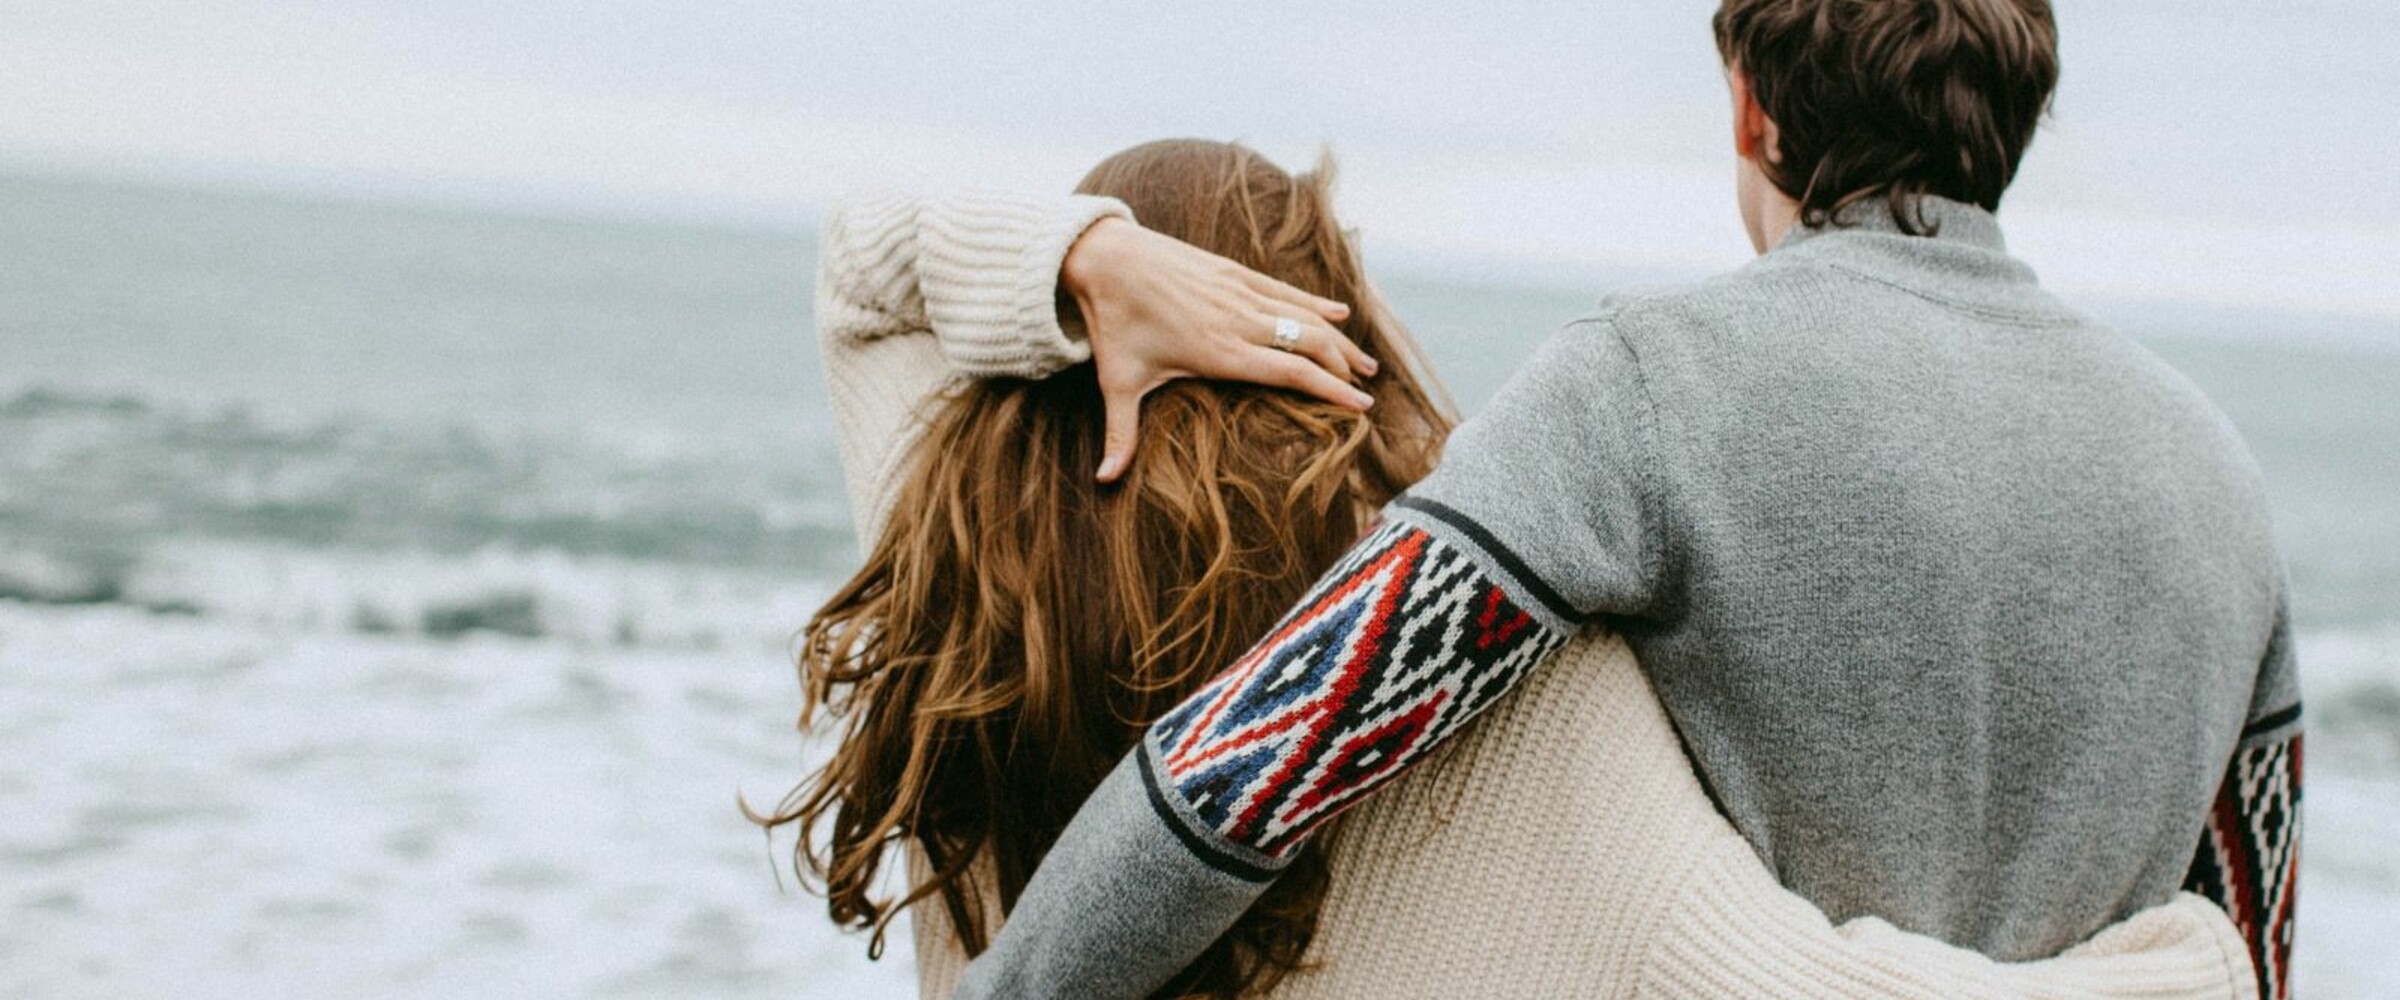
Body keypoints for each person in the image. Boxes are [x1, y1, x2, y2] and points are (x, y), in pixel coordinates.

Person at [939, 4, 2301, 1000]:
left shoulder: (1653, 384)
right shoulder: (2222, 475)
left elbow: (1269, 747)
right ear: (2012, 122)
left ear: (1751, 109)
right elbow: (2253, 932)